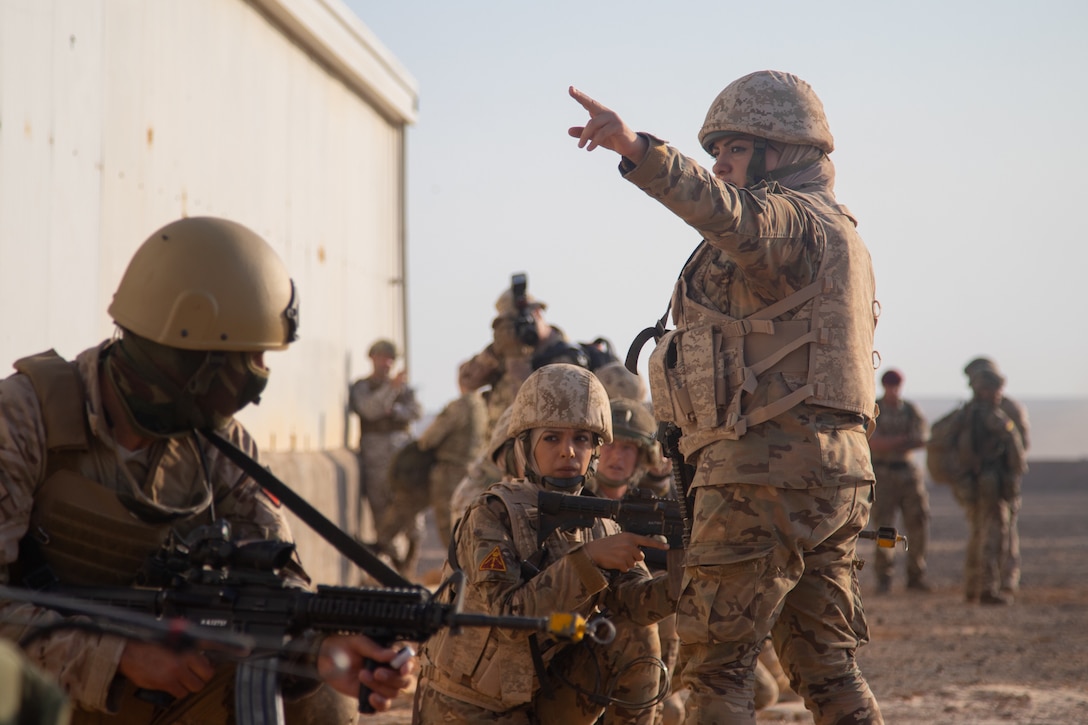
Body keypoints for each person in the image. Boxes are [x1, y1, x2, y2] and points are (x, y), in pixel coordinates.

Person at [0, 217, 414, 723]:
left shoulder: (221, 445)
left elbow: (273, 583)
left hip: (148, 696)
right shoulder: (23, 420)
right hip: (33, 696)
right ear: (190, 358)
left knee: (318, 698)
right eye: (251, 360)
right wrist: (120, 656)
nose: (257, 387)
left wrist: (326, 651)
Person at [569, 70, 883, 724]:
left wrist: (638, 149)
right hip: (831, 476)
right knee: (827, 665)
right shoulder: (835, 228)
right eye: (717, 152)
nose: (720, 164)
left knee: (716, 668)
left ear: (781, 150)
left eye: (734, 149)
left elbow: (725, 210)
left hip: (760, 474)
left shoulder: (789, 221)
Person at [413, 364, 677, 724]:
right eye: (552, 438)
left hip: (544, 698)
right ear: (525, 446)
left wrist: (688, 568)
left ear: (596, 450)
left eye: (581, 439)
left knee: (635, 632)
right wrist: (588, 560)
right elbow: (508, 620)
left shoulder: (601, 523)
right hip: (465, 707)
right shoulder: (492, 514)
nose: (568, 451)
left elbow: (639, 605)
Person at [374, 360, 488, 575]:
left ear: (462, 379)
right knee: (412, 506)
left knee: (448, 525)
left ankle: (462, 573)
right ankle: (382, 543)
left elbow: (430, 439)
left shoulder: (461, 405)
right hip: (470, 470)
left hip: (450, 472)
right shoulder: (482, 405)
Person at [465, 286, 581, 438]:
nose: (517, 330)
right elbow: (467, 382)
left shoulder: (565, 357)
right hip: (497, 449)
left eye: (522, 322)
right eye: (510, 325)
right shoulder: (503, 351)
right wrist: (496, 350)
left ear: (538, 313)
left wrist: (517, 362)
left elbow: (535, 408)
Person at [958, 357, 1029, 605]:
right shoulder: (990, 415)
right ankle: (987, 588)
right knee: (993, 535)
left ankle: (974, 587)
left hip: (980, 483)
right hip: (990, 483)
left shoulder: (971, 411)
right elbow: (1016, 445)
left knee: (980, 534)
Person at [349, 339, 423, 562]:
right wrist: (390, 391)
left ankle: (410, 559)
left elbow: (417, 411)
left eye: (390, 359)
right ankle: (393, 561)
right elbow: (369, 410)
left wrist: (396, 410)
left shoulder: (402, 388)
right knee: (380, 508)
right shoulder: (363, 387)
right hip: (376, 455)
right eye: (382, 358)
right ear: (372, 359)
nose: (386, 363)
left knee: (409, 503)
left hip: (401, 455)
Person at [868, 369, 931, 594]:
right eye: (889, 386)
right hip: (883, 476)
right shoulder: (875, 409)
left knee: (918, 523)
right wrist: (902, 441)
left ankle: (916, 575)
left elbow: (922, 439)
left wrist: (891, 442)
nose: (893, 390)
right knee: (885, 527)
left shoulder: (910, 410)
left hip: (908, 475)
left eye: (896, 385)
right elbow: (874, 443)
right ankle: (884, 577)